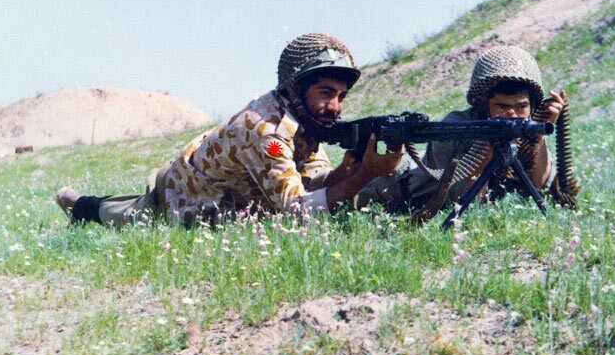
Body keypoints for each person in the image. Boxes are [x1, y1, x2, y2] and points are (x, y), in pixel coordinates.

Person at [56, 33, 402, 226]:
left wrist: (343, 173)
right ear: (296, 90)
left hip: (230, 190)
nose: (335, 107)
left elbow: (307, 181)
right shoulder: (267, 130)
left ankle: (83, 203)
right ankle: (79, 204)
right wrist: (364, 176)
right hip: (185, 195)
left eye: (340, 96)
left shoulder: (305, 119)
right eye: (326, 93)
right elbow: (297, 212)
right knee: (130, 217)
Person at [357, 45, 570, 217]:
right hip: (393, 189)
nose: (513, 115)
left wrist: (539, 134)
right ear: (483, 105)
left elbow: (540, 186)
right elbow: (458, 199)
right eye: (502, 106)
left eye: (521, 106)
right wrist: (488, 147)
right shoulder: (455, 127)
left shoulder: (527, 127)